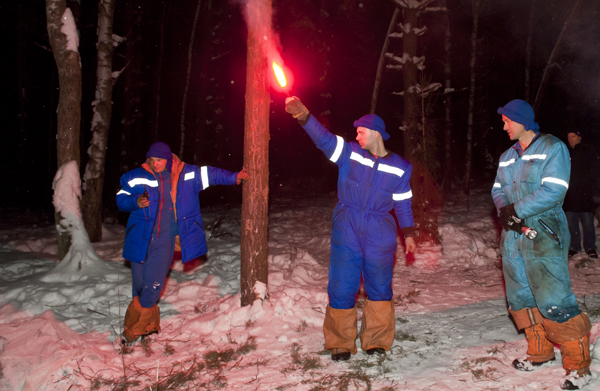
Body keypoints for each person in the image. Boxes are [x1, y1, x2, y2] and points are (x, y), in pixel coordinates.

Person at [285, 97, 416, 362]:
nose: (356, 135)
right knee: (342, 285)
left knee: (378, 287)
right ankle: (340, 342)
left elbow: (403, 203)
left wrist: (409, 233)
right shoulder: (350, 153)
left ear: (376, 133)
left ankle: (376, 340)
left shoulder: (401, 167)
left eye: (361, 131)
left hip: (381, 231)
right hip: (347, 227)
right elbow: (324, 139)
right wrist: (304, 116)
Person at [491, 99, 591, 390]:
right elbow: (497, 188)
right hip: (513, 234)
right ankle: (539, 353)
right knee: (521, 296)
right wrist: (504, 212)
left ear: (523, 121)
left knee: (553, 296)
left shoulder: (552, 147)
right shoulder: (507, 155)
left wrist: (515, 210)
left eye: (508, 120)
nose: (504, 125)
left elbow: (554, 191)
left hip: (544, 230)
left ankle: (579, 367)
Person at [115, 142, 249, 346]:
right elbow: (121, 199)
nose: (155, 164)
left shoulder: (186, 174)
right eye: (152, 159)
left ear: (168, 159)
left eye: (159, 160)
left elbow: (210, 174)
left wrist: (233, 177)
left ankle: (130, 333)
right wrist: (135, 201)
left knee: (152, 286)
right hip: (138, 239)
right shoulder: (135, 176)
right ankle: (149, 329)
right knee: (139, 287)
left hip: (164, 242)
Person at [563, 129, 598, 258]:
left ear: (580, 137)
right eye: (568, 137)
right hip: (570, 194)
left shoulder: (588, 150)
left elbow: (595, 171)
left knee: (588, 222)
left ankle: (590, 247)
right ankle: (574, 246)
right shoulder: (566, 152)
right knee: (571, 222)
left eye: (573, 136)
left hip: (585, 193)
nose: (570, 139)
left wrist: (595, 192)